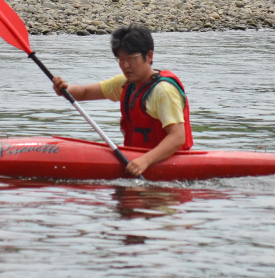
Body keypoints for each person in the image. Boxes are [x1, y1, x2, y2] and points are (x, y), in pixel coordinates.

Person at [52, 23, 192, 177]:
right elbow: (85, 93)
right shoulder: (125, 83)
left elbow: (178, 137)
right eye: (121, 59)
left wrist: (145, 161)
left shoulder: (163, 91)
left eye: (132, 58)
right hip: (138, 160)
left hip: (166, 164)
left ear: (149, 56)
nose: (125, 65)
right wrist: (64, 89)